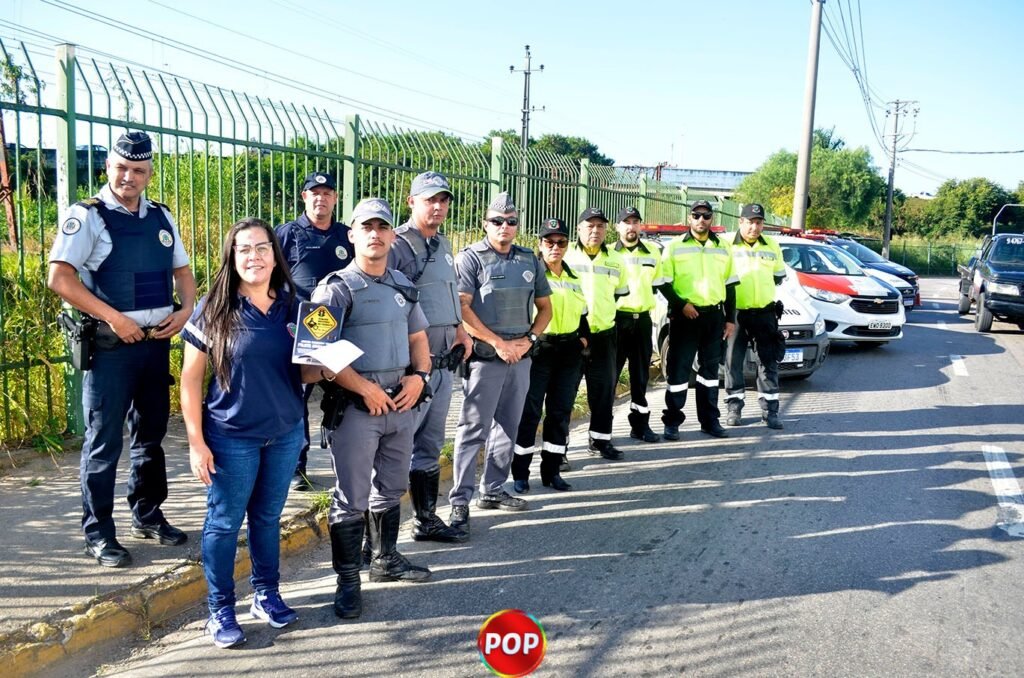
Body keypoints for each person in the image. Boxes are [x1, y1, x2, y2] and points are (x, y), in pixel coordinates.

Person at [47, 131, 196, 568]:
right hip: (112, 349)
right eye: (121, 168)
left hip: (154, 345)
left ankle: (147, 514)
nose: (128, 177)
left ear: (149, 174)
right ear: (108, 167)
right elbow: (60, 278)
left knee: (150, 437)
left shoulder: (160, 217)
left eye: (138, 171)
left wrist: (186, 310)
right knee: (104, 442)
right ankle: (99, 533)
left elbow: (182, 272)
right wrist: (114, 317)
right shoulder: (87, 216)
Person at [180, 217, 308, 648]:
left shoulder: (296, 305)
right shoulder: (214, 308)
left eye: (262, 248)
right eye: (244, 250)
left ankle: (266, 593)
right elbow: (190, 380)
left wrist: (325, 363)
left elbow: (308, 370)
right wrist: (197, 443)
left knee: (267, 518)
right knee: (224, 523)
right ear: (232, 259)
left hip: (285, 433)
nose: (253, 257)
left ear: (275, 254)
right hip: (231, 437)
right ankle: (219, 609)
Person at [311, 198, 434, 620]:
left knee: (392, 486)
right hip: (357, 410)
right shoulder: (335, 288)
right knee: (352, 497)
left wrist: (419, 377)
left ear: (392, 235)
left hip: (400, 403)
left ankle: (385, 560)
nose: (375, 234)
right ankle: (348, 582)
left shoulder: (401, 283)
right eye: (367, 227)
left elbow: (419, 337)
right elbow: (316, 353)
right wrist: (364, 388)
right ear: (352, 235)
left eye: (382, 227)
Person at [447, 192, 552, 535]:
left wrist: (530, 341)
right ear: (485, 224)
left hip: (520, 355)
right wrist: (497, 343)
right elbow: (462, 308)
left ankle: (492, 489)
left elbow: (545, 307)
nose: (504, 227)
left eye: (511, 222)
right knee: (473, 429)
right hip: (486, 357)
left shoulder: (528, 260)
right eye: (497, 221)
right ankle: (460, 500)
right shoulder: (471, 259)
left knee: (509, 425)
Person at [389, 171, 472, 544]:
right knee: (394, 451)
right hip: (410, 370)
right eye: (429, 200)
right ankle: (374, 541)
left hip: (443, 365)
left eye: (443, 200)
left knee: (430, 445)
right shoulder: (396, 246)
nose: (438, 207)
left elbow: (447, 290)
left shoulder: (443, 243)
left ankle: (425, 519)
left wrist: (459, 327)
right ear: (411, 202)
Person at [275, 171, 354, 491]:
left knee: (347, 396)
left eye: (327, 192)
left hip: (345, 328)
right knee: (297, 399)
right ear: (304, 197)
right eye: (314, 192)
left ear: (336, 198)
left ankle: (349, 465)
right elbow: (271, 278)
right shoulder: (288, 233)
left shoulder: (347, 235)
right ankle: (296, 467)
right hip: (303, 330)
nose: (321, 198)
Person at [511, 218, 588, 493]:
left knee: (560, 412)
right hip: (539, 350)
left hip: (568, 351)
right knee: (530, 412)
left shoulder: (574, 277)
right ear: (540, 244)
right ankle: (520, 473)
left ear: (567, 245)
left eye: (561, 242)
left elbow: (584, 315)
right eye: (549, 241)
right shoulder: (530, 274)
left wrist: (583, 339)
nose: (555, 247)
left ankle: (552, 470)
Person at [657, 200, 738, 441]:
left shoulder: (723, 246)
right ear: (689, 218)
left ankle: (709, 421)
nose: (701, 220)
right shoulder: (674, 247)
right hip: (685, 317)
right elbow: (662, 282)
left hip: (714, 316)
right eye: (696, 215)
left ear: (712, 218)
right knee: (679, 372)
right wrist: (682, 305)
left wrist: (730, 319)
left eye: (706, 216)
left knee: (710, 372)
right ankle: (672, 421)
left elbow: (730, 285)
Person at [564, 207, 629, 461]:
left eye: (600, 226)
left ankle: (601, 441)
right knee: (565, 395)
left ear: (606, 230)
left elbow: (617, 294)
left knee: (603, 392)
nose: (595, 231)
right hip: (572, 337)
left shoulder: (616, 259)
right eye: (589, 226)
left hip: (604, 335)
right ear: (579, 228)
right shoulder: (565, 255)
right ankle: (560, 450)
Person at [724, 203, 787, 430]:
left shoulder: (772, 245)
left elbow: (779, 276)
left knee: (768, 361)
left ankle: (770, 411)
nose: (754, 226)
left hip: (765, 312)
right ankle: (734, 407)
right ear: (740, 222)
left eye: (759, 222)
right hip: (737, 313)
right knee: (733, 361)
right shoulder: (726, 245)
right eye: (750, 221)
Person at [613, 206, 664, 443]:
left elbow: (656, 285)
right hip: (615, 321)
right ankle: (602, 431)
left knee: (641, 376)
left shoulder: (652, 252)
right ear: (617, 227)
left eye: (635, 222)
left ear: (640, 226)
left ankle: (640, 426)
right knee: (609, 377)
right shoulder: (609, 253)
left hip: (642, 319)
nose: (631, 226)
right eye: (626, 222)